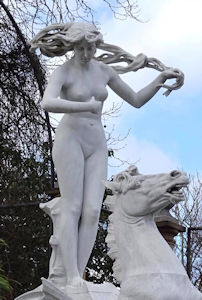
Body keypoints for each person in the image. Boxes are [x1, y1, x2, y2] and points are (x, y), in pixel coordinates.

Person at [30, 22, 182, 290]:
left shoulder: (103, 71)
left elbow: (134, 99)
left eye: (91, 47)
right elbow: (47, 102)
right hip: (70, 139)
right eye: (81, 48)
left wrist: (159, 81)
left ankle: (78, 274)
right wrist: (83, 106)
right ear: (73, 46)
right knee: (73, 206)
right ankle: (71, 278)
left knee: (91, 212)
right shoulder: (64, 72)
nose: (87, 52)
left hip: (96, 142)